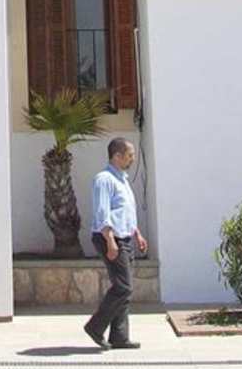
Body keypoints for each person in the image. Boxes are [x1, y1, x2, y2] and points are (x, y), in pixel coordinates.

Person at [84, 137, 147, 351]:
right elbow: (102, 213)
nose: (133, 158)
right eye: (129, 154)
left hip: (125, 237)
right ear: (117, 156)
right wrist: (110, 240)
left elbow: (124, 211)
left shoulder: (123, 180)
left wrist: (136, 233)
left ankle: (119, 336)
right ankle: (95, 327)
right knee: (123, 287)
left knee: (125, 289)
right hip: (110, 237)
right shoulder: (104, 179)